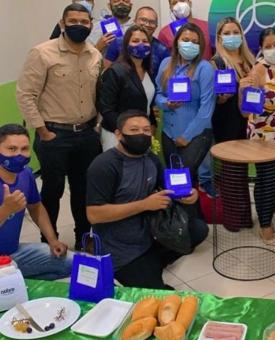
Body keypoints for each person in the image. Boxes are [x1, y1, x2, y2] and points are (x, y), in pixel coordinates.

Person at [86, 111, 208, 289]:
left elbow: (167, 189)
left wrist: (188, 195)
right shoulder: (104, 165)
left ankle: (153, 264)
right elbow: (94, 215)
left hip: (151, 232)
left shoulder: (150, 159)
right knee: (157, 295)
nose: (141, 135)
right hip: (120, 247)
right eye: (134, 130)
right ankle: (145, 271)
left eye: (146, 130)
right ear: (118, 134)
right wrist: (144, 205)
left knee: (198, 230)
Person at [16, 3, 102, 250]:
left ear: (91, 25)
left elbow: (97, 93)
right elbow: (25, 94)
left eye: (84, 22)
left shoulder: (94, 54)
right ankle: (48, 242)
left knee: (83, 190)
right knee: (52, 192)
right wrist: (42, 131)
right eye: (73, 21)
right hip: (54, 135)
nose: (79, 25)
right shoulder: (43, 53)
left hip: (86, 134)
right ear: (62, 24)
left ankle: (83, 238)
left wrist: (96, 125)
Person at [239, 28, 275, 242]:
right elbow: (246, 110)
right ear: (261, 49)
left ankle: (273, 209)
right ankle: (264, 224)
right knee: (266, 181)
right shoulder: (258, 70)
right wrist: (243, 91)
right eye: (268, 46)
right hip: (263, 136)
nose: (273, 50)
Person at [0, 124, 73, 280]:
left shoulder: (26, 174)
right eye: (11, 149)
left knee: (74, 264)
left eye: (24, 149)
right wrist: (6, 210)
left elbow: (36, 207)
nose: (19, 155)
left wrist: (52, 240)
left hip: (13, 254)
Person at [155, 23, 215, 187]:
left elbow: (206, 109)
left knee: (185, 182)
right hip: (168, 133)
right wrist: (166, 104)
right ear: (177, 41)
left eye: (195, 42)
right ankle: (177, 213)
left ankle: (191, 213)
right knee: (174, 181)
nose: (190, 44)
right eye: (186, 39)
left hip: (195, 134)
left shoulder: (205, 68)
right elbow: (158, 94)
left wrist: (187, 136)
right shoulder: (166, 64)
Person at [98, 25, 157, 151]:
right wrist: (126, 130)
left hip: (142, 135)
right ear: (126, 45)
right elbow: (106, 109)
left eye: (145, 41)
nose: (141, 44)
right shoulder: (115, 71)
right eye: (135, 41)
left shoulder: (148, 71)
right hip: (117, 134)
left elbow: (147, 103)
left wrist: (151, 126)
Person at [210, 17, 255, 143]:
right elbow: (211, 100)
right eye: (227, 33)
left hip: (250, 125)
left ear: (241, 35)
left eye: (236, 32)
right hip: (226, 127)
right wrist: (221, 98)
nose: (232, 36)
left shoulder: (251, 62)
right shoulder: (216, 64)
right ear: (219, 37)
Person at [104, 6, 170, 80]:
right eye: (143, 20)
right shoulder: (117, 43)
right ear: (134, 21)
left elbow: (163, 80)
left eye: (152, 22)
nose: (147, 24)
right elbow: (106, 74)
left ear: (156, 26)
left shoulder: (162, 50)